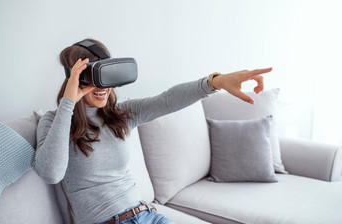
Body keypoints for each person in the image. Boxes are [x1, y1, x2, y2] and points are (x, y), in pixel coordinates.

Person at [33, 38, 272, 224]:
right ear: (75, 79)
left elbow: (167, 100)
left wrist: (215, 82)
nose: (102, 87)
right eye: (92, 77)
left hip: (148, 215)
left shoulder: (121, 113)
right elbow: (51, 173)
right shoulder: (54, 121)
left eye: (106, 76)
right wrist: (68, 103)